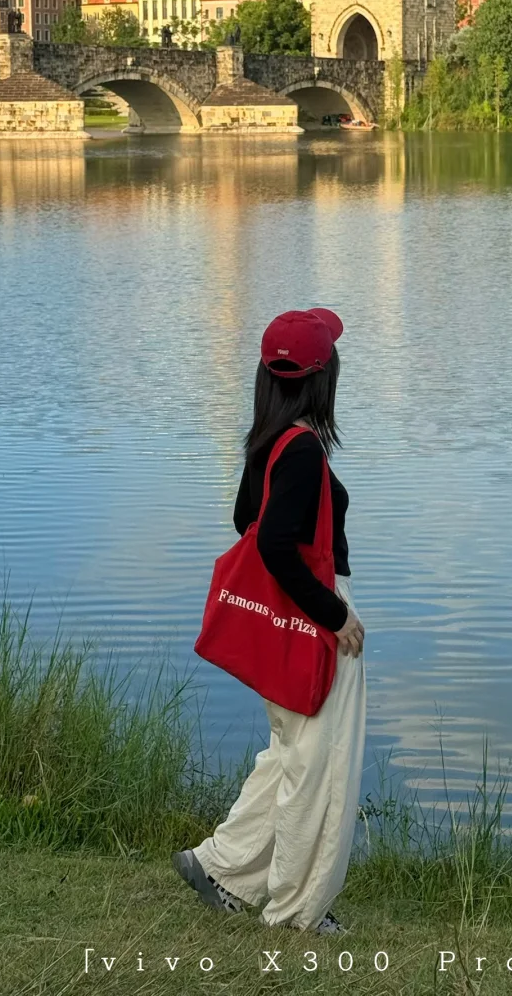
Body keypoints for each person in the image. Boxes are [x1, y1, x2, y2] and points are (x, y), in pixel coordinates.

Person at [173, 307, 366, 935]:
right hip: (315, 624)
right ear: (321, 377)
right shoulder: (303, 448)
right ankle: (296, 911)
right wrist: (335, 614)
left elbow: (244, 522)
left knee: (289, 756)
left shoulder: (270, 439)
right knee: (320, 769)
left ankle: (220, 869)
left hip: (288, 623)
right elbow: (277, 547)